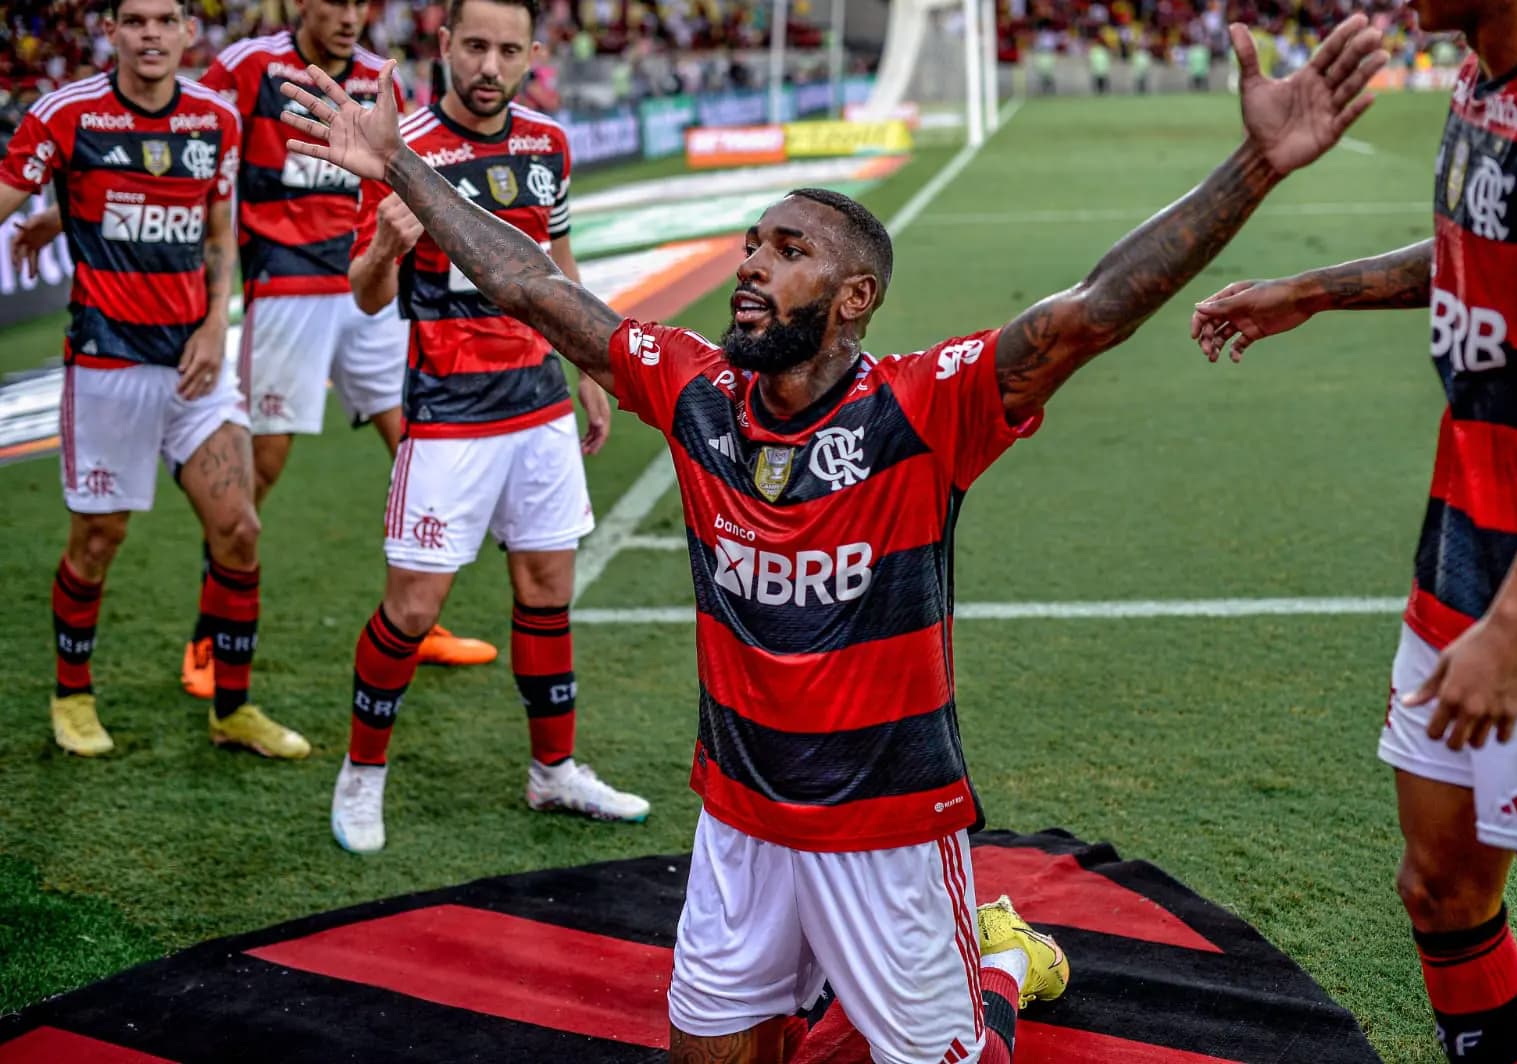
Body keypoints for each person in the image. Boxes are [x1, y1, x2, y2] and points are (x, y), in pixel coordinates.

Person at [282, 12, 1386, 1061]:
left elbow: (1092, 308)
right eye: (753, 243)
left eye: (789, 249)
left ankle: (997, 962)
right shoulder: (695, 387)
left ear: (853, 295)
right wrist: (401, 170)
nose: (752, 262)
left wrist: (1258, 165)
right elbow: (529, 282)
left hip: (891, 833)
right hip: (738, 825)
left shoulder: (922, 407)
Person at [1190, 1, 1517, 1058]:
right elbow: (1497, 240)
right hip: (1461, 542)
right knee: (1439, 886)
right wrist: (1315, 291)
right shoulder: (1483, 70)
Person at [327, 0, 640, 854]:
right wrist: (387, 248)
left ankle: (554, 772)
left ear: (532, 53)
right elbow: (364, 294)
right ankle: (362, 775)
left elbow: (559, 262)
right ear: (444, 46)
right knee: (414, 607)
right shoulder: (404, 146)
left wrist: (590, 363)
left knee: (547, 592)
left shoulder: (549, 142)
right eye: (474, 46)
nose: (490, 66)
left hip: (538, 405)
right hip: (450, 417)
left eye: (508, 49)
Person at [0, 0, 307, 759]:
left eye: (164, 18)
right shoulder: (64, 114)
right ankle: (72, 695)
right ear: (110, 30)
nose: (149, 33)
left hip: (195, 368)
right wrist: (54, 215)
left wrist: (213, 323)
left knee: (239, 529)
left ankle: (232, 709)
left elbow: (217, 231)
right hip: (107, 366)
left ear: (184, 32)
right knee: (99, 540)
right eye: (133, 19)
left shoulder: (214, 120)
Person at [189, 0, 498, 694]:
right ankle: (207, 638)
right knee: (256, 473)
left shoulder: (379, 78)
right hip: (287, 289)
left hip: (370, 282)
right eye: (340, 2)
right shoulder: (246, 67)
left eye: (365, 4)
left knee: (416, 449)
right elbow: (191, 148)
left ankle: (414, 623)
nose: (353, 15)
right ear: (304, 4)